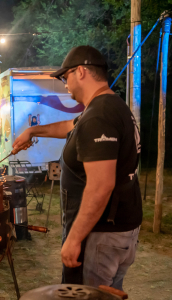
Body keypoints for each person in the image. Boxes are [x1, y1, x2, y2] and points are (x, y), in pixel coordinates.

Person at [12, 46, 142, 290]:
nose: (64, 84)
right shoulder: (107, 107)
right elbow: (69, 126)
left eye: (65, 76)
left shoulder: (99, 116)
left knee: (86, 296)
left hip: (100, 234)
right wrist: (32, 130)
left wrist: (74, 238)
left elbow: (101, 185)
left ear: (81, 71)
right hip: (118, 231)